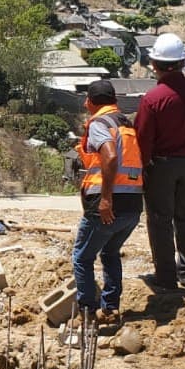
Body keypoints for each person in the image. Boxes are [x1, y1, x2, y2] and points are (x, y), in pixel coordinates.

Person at [135, 32, 185, 291]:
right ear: (183, 62)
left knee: (160, 220)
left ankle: (166, 277)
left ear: (155, 65)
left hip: (162, 166)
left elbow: (143, 140)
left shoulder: (153, 100)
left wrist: (141, 170)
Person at [72, 80, 144, 324]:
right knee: (110, 252)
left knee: (82, 257)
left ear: (92, 102)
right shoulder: (126, 124)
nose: (84, 103)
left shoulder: (100, 123)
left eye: (86, 100)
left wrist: (105, 198)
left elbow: (110, 157)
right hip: (133, 203)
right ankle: (110, 309)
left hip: (108, 204)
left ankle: (87, 313)